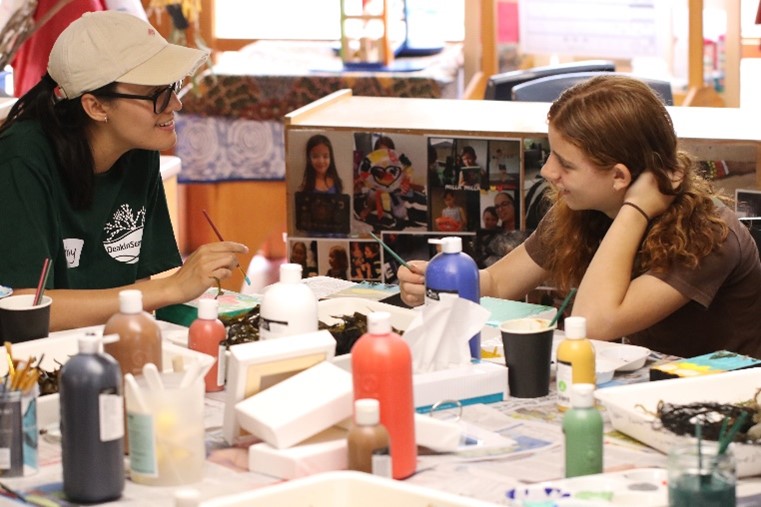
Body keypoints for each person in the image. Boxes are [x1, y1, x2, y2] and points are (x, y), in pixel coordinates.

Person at [398, 75, 761, 358]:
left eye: (565, 164)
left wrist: (634, 209)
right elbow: (496, 282)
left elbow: (593, 324)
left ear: (619, 177)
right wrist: (441, 285)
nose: (547, 172)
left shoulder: (710, 233)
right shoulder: (584, 209)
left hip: (720, 405)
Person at [0, 11, 248, 332]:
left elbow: (136, 287)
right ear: (96, 106)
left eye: (172, 86)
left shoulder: (137, 148)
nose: (175, 104)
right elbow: (25, 308)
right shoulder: (21, 159)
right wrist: (172, 288)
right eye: (156, 94)